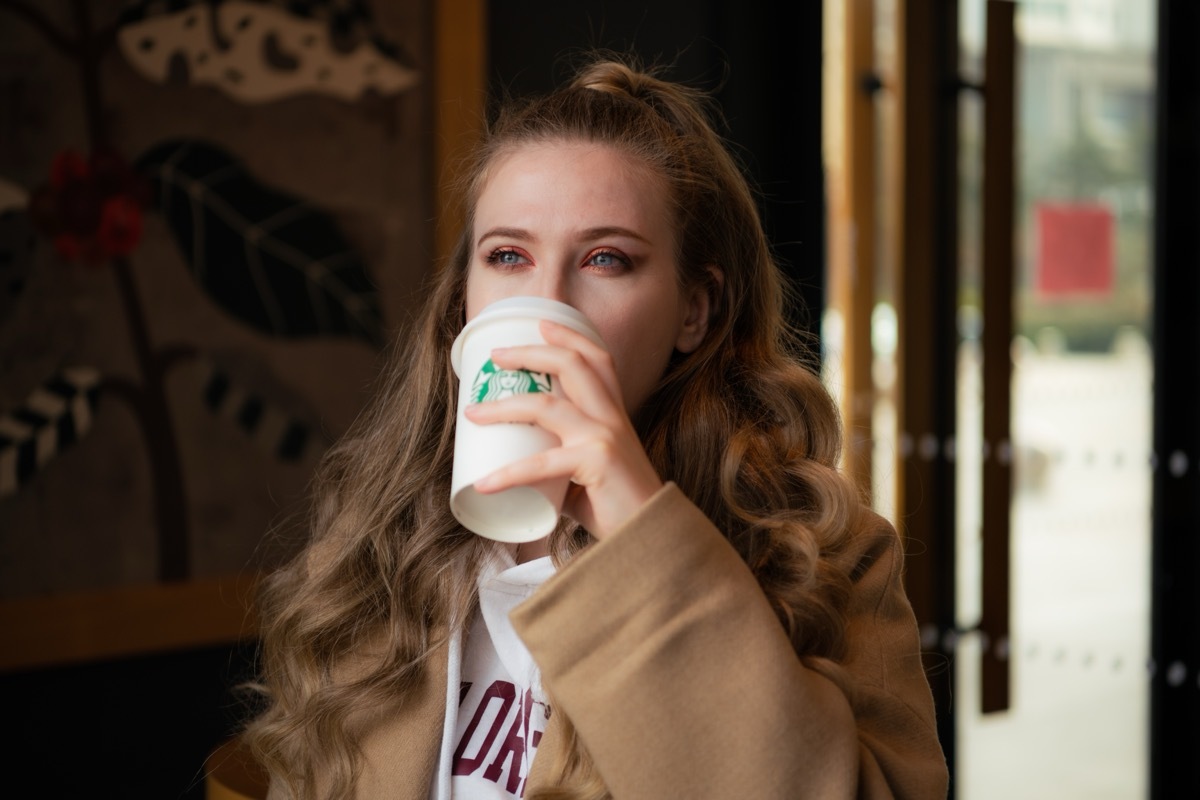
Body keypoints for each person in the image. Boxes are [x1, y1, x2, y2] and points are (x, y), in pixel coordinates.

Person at [240, 52, 949, 800]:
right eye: (507, 255)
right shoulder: (377, 547)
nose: (547, 303)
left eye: (606, 259)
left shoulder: (827, 559)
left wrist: (638, 528)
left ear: (694, 311)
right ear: (463, 305)